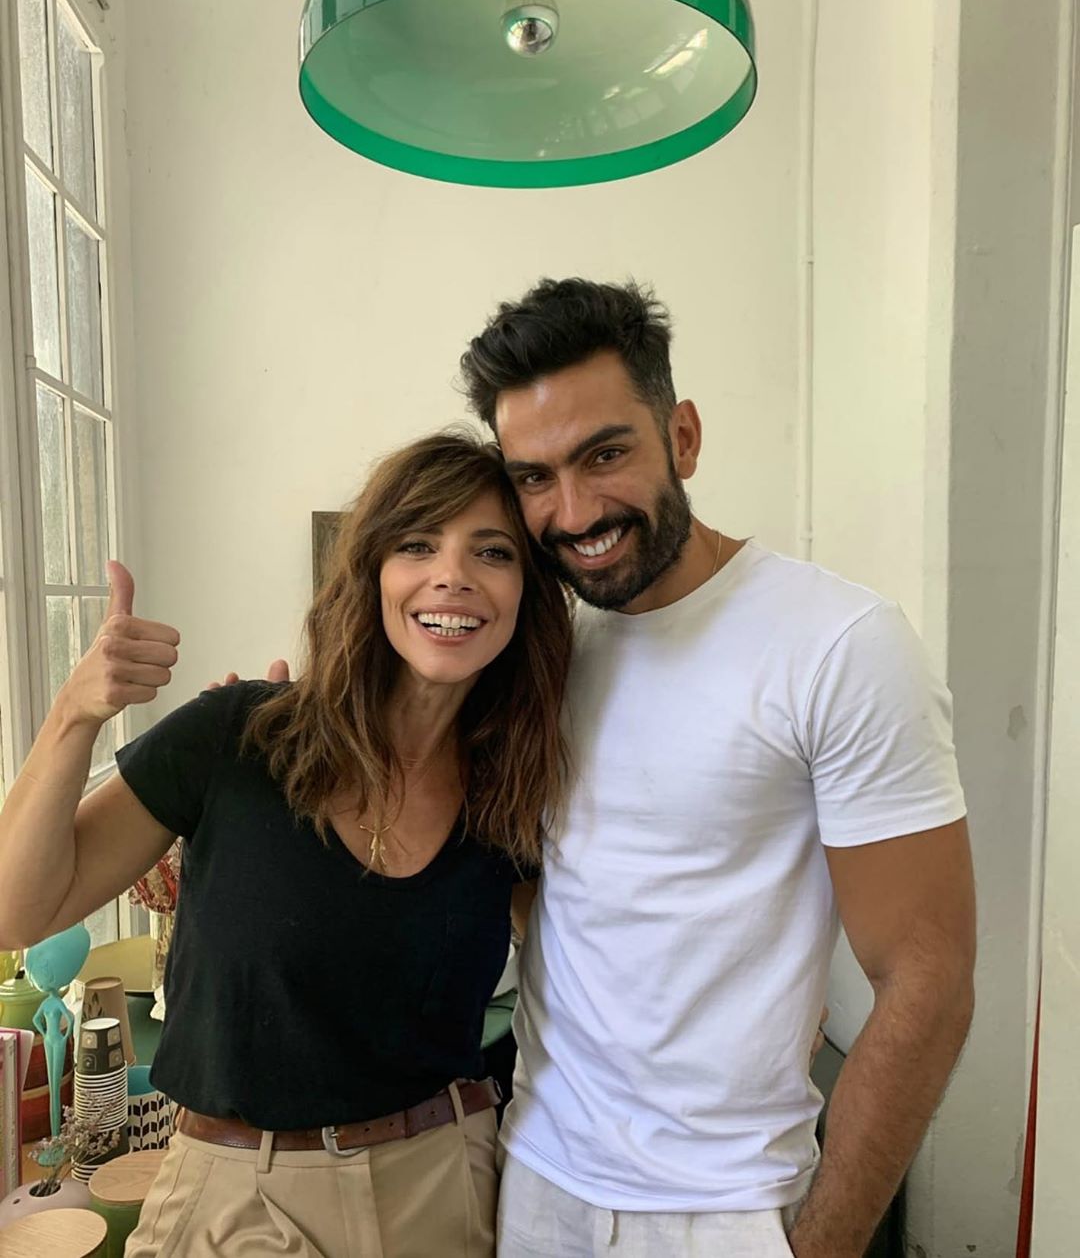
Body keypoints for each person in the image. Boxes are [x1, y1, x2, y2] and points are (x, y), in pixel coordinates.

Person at [453, 278, 976, 1258]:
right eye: (535, 477)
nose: (574, 510)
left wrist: (825, 1243)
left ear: (683, 437)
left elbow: (929, 979)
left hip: (730, 1211)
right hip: (539, 1180)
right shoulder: (540, 649)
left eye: (605, 454)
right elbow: (550, 887)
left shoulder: (840, 644)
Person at [0, 432, 573, 1257]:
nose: (453, 574)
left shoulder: (511, 788)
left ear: (526, 592)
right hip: (235, 1194)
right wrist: (74, 714)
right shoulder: (238, 736)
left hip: (445, 1184)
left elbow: (582, 967)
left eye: (493, 551)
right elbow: (19, 911)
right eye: (418, 544)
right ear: (372, 571)